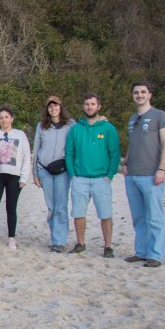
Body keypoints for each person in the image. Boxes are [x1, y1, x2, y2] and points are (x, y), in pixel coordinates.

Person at [65, 92, 120, 258]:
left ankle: (108, 246)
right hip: (80, 178)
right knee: (79, 213)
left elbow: (115, 153)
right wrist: (73, 174)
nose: (89, 107)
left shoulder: (108, 128)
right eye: (87, 104)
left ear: (99, 106)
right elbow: (69, 153)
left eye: (93, 104)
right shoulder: (76, 129)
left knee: (105, 214)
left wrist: (110, 175)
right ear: (84, 106)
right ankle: (80, 243)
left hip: (101, 179)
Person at [124, 81, 165, 268]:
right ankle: (141, 252)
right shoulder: (132, 119)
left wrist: (161, 169)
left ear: (149, 95)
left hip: (151, 175)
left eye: (143, 92)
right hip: (132, 175)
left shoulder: (159, 116)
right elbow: (133, 144)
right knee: (139, 217)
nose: (139, 95)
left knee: (154, 216)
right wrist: (126, 163)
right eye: (136, 92)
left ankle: (156, 255)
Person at [0, 106, 32, 249]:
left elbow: (25, 156)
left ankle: (11, 238)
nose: (3, 120)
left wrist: (24, 177)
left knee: (11, 207)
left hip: (14, 176)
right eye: (1, 117)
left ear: (12, 118)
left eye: (6, 117)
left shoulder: (20, 135)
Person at [32, 95, 75, 253]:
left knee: (61, 206)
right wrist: (35, 173)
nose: (53, 108)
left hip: (62, 170)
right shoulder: (41, 126)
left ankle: (60, 241)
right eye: (50, 106)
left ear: (60, 106)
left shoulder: (71, 125)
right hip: (44, 169)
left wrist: (101, 119)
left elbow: (85, 128)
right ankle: (55, 237)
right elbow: (36, 149)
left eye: (55, 105)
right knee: (51, 206)